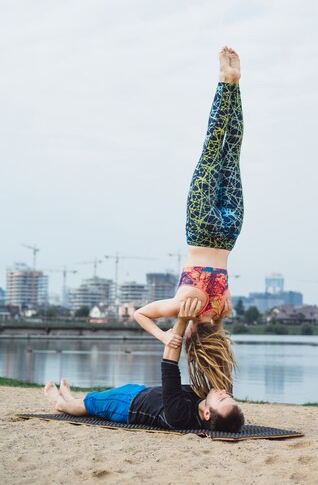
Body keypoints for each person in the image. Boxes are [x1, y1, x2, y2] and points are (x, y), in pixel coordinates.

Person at [134, 46, 244, 397]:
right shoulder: (185, 308)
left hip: (228, 234)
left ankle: (233, 84)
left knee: (231, 151)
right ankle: (225, 82)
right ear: (193, 338)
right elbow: (139, 314)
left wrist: (187, 330)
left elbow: (216, 327)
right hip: (203, 228)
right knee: (213, 149)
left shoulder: (222, 308)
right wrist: (167, 336)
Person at [43, 299, 245, 433]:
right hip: (140, 393)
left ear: (207, 414)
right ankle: (69, 397)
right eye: (229, 396)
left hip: (127, 404)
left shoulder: (180, 417)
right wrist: (219, 319)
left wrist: (182, 320)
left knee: (90, 404)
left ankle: (61, 403)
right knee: (91, 400)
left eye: (222, 399)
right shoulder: (207, 399)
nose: (224, 392)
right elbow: (220, 358)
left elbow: (169, 366)